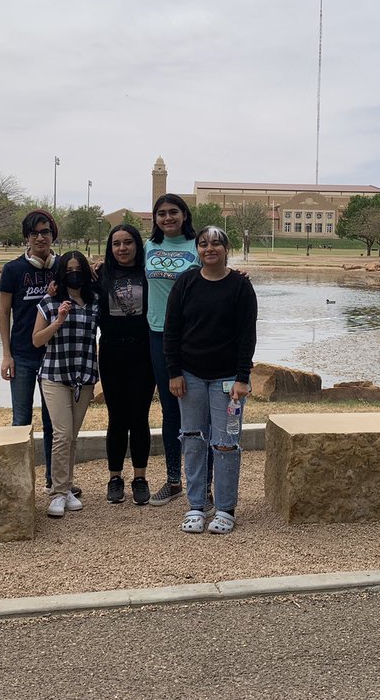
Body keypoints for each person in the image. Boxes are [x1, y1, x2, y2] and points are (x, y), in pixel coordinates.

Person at [163, 226, 257, 535]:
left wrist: (243, 378)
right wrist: (174, 371)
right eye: (203, 244)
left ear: (227, 249)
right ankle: (196, 505)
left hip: (228, 379)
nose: (209, 249)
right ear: (197, 250)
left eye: (216, 243)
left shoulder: (241, 287)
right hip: (190, 375)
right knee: (192, 438)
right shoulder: (186, 283)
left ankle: (226, 508)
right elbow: (172, 330)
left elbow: (247, 336)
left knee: (226, 443)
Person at [0, 209, 63, 492]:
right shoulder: (13, 270)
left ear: (52, 235)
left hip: (54, 357)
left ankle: (53, 481)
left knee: (53, 422)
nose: (40, 238)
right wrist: (6, 354)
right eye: (34, 233)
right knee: (21, 420)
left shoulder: (61, 267)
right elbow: (3, 314)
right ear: (26, 237)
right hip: (23, 355)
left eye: (45, 232)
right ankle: (18, 483)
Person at [32, 251, 100, 518]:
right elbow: (36, 340)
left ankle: (67, 486)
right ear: (61, 272)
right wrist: (58, 321)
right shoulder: (49, 302)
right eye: (68, 269)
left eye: (78, 268)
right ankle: (58, 493)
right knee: (61, 434)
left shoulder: (94, 304)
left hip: (83, 377)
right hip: (54, 376)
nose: (74, 273)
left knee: (72, 435)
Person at [144, 193, 201, 506]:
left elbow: (215, 275)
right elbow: (124, 271)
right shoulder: (149, 247)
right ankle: (173, 479)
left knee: (196, 408)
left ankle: (201, 482)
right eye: (161, 213)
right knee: (169, 409)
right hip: (157, 334)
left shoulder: (196, 246)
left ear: (184, 214)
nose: (167, 218)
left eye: (173, 212)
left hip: (192, 337)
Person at [97, 224, 156, 505]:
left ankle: (140, 477)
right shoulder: (100, 275)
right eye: (116, 243)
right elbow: (69, 283)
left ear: (137, 245)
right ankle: (115, 477)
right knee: (117, 417)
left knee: (139, 417)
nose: (122, 248)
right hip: (111, 354)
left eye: (128, 242)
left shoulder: (148, 274)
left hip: (142, 354)